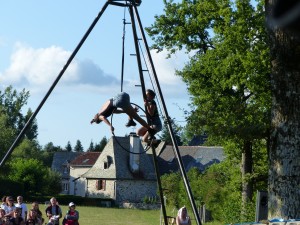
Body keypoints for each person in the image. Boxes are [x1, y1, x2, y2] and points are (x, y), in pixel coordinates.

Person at [90, 92, 156, 137]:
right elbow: (114, 111)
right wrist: (93, 120)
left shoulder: (99, 116)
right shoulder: (102, 110)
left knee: (137, 118)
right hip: (124, 95)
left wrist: (110, 126)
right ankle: (130, 120)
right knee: (129, 111)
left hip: (120, 101)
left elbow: (103, 118)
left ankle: (150, 130)